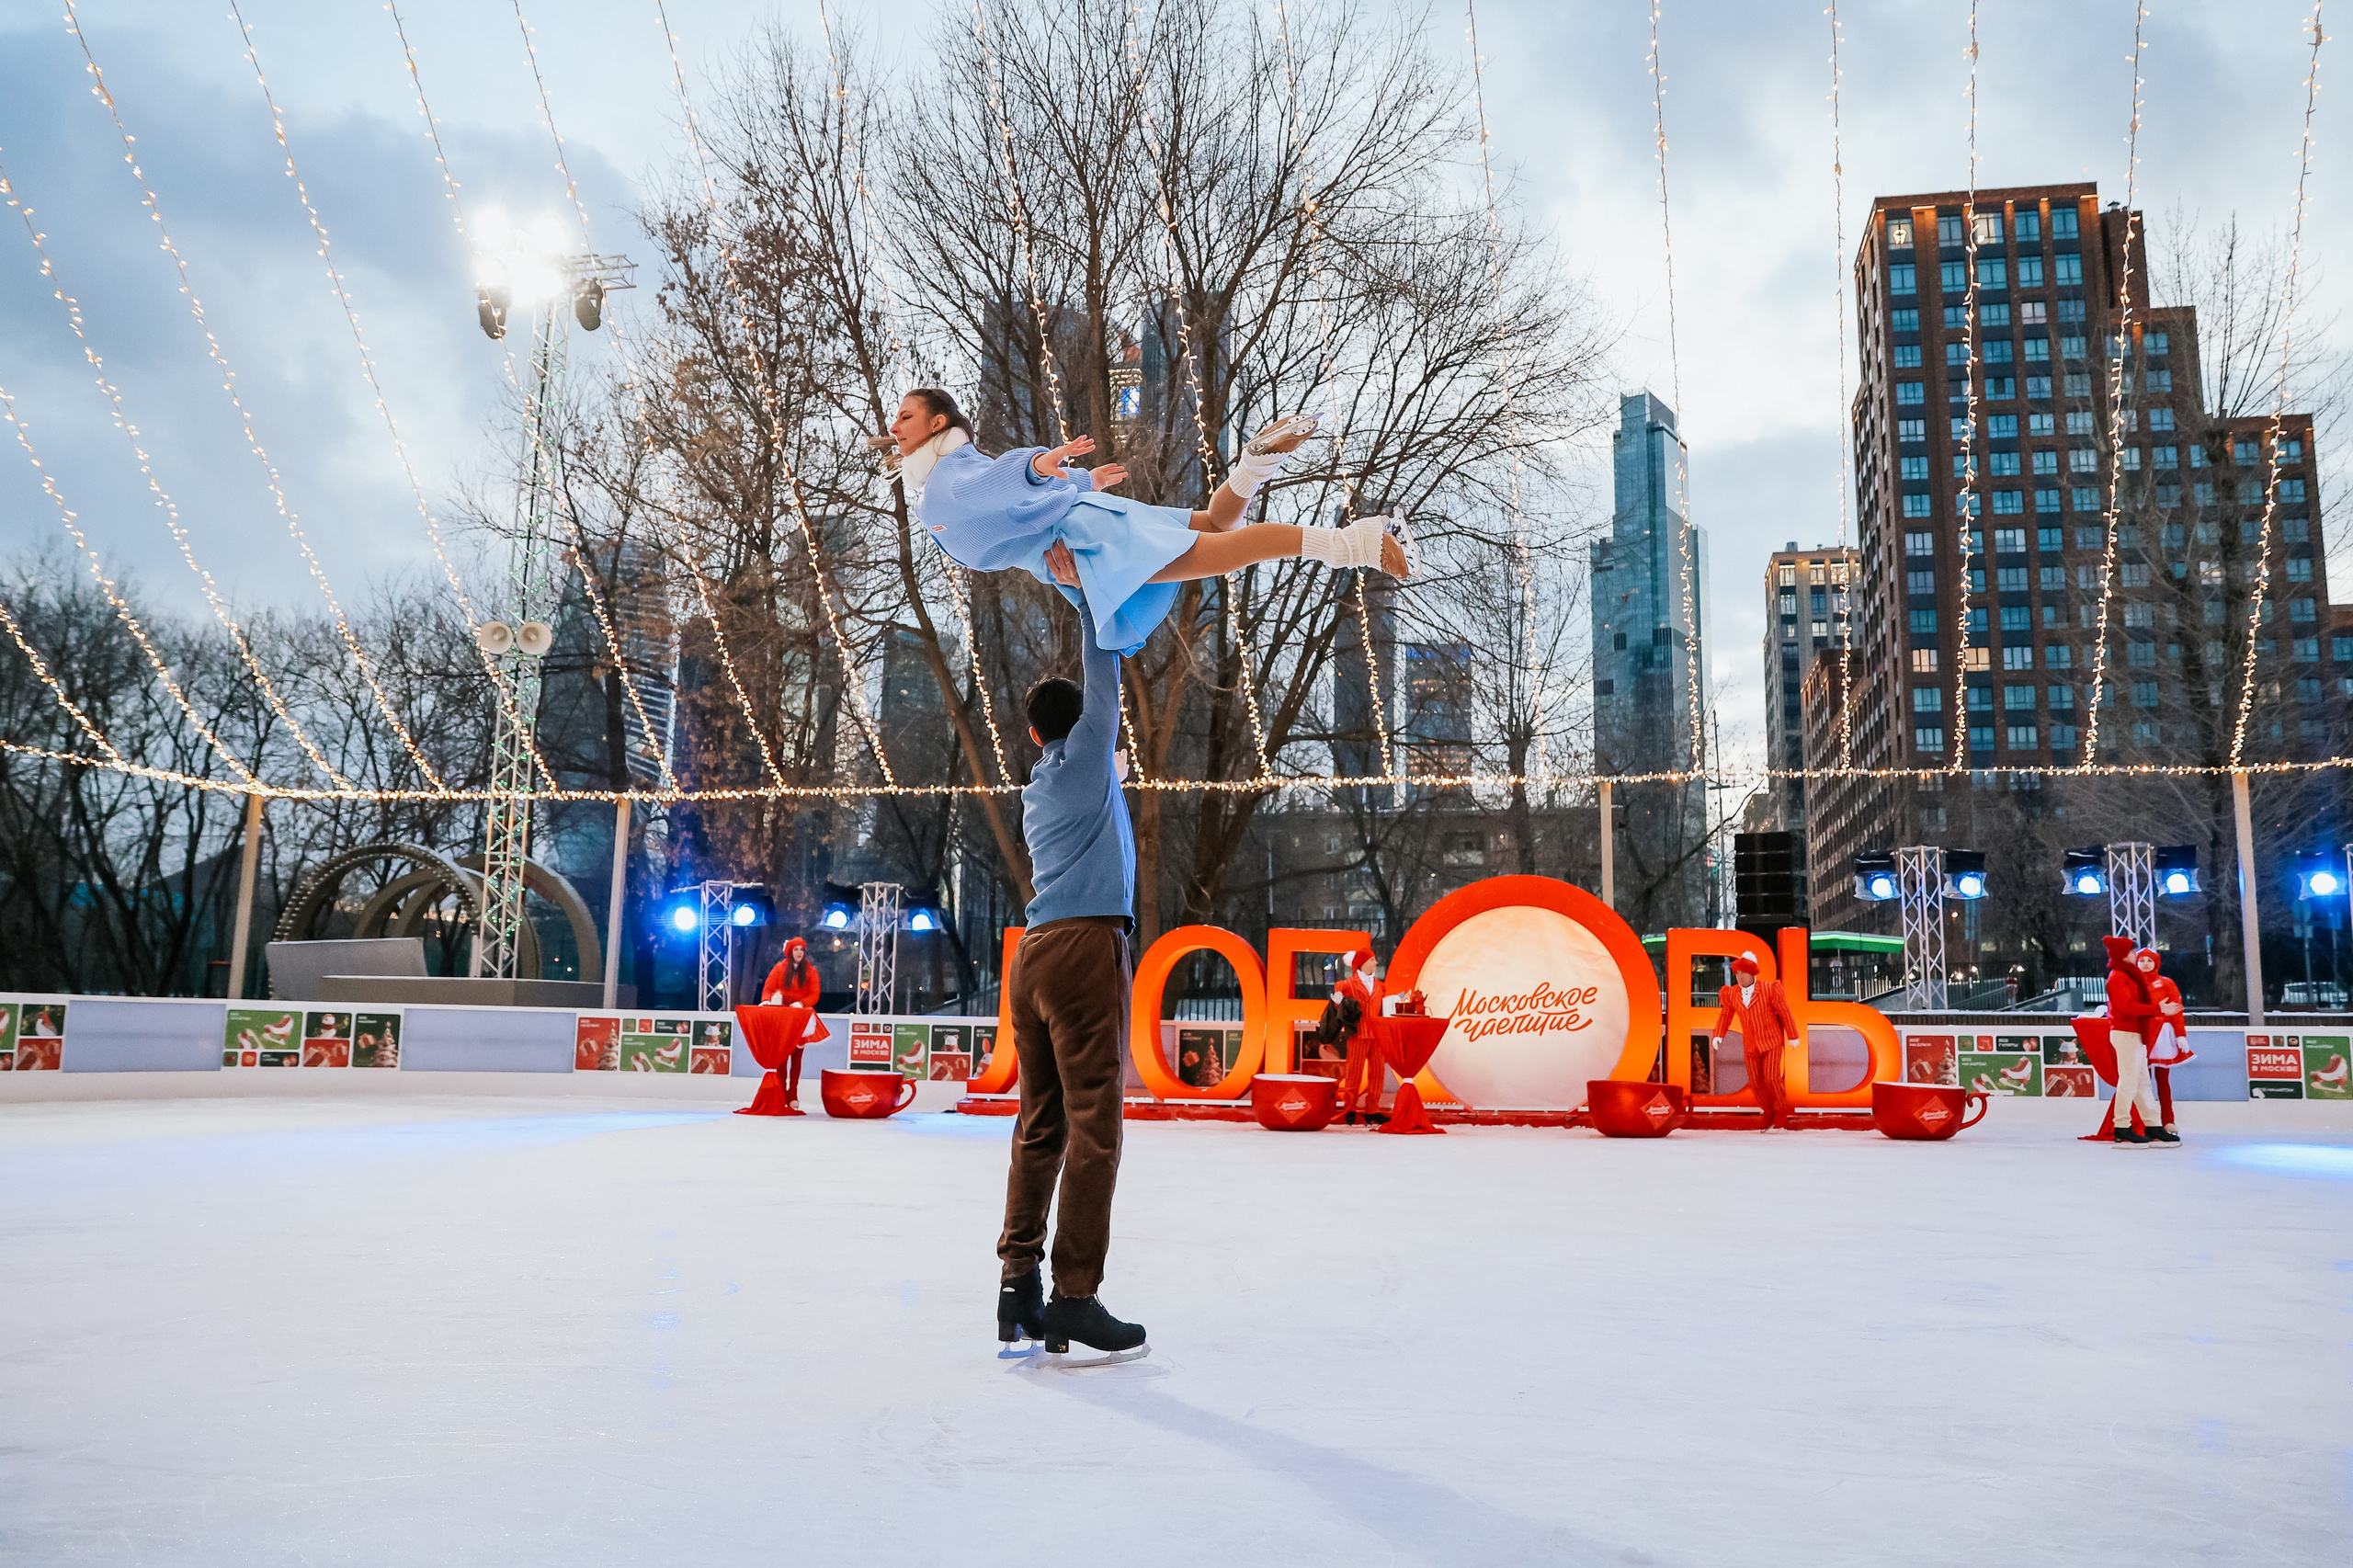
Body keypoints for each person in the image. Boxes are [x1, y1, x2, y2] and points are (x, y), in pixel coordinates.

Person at [887, 388, 1411, 656]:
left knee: (1226, 553)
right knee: (1217, 526)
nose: (894, 426)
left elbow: (997, 488)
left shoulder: (944, 488)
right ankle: (1255, 465)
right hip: (1091, 526)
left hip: (1090, 542)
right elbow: (1007, 499)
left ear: (938, 423)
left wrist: (1042, 466)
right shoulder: (957, 470)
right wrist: (1078, 481)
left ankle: (1356, 543)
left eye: (906, 416)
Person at [995, 585, 1149, 1361]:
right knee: (1096, 1126)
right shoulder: (1089, 760)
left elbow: (1094, 703)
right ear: (1082, 725)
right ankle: (1075, 1297)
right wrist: (1086, 595)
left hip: (1034, 955)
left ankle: (1016, 1286)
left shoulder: (1040, 789)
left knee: (1040, 1122)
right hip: (1086, 949)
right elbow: (1104, 671)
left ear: (1032, 735)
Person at [2099, 935, 2177, 1147]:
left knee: (2142, 1081)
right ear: (2124, 955)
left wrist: (2157, 1009)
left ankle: (2153, 1124)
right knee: (2129, 1080)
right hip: (2126, 1033)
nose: (2136, 954)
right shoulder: (2118, 977)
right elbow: (2126, 1006)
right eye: (2133, 951)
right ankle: (2122, 1125)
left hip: (2135, 1033)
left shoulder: (2129, 975)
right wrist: (2157, 1009)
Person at [1710, 954, 1801, 1132]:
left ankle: (1780, 1109)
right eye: (1737, 973)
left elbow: (1784, 1011)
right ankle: (1768, 1110)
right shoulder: (1732, 993)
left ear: (1752, 973)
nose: (1740, 977)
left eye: (1743, 973)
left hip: (1771, 1041)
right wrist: (1718, 1034)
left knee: (1772, 1077)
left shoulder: (1769, 990)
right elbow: (1726, 1015)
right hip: (1750, 1044)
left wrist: (1792, 1035)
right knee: (1755, 1081)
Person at [756, 937, 825, 1115]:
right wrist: (766, 1000)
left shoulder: (810, 971)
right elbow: (768, 988)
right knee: (781, 1057)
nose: (799, 953)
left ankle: (792, 1093)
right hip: (782, 1017)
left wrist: (802, 1003)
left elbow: (814, 993)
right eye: (796, 949)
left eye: (802, 949)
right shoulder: (779, 969)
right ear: (790, 952)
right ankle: (780, 1092)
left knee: (796, 1057)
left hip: (800, 1017)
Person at [1336, 946, 1387, 1127]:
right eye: (1372, 960)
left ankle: (1373, 1109)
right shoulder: (1347, 984)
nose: (1376, 963)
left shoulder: (1380, 986)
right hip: (1358, 1033)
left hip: (1376, 1035)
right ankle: (1349, 1108)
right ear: (1362, 963)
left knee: (1378, 1073)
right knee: (1354, 1072)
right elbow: (1337, 1002)